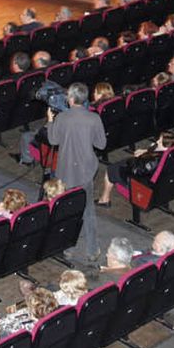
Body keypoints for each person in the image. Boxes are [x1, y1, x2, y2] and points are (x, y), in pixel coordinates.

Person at [47, 82, 107, 265]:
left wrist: (50, 121)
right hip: (86, 170)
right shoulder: (93, 118)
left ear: (71, 98)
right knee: (88, 210)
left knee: (68, 210)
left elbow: (52, 139)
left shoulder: (62, 118)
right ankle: (92, 249)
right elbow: (101, 145)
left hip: (66, 171)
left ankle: (68, 248)